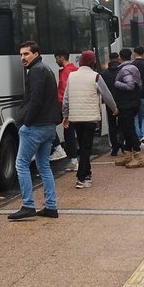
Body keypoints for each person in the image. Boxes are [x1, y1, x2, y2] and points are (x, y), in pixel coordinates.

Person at [8, 41, 63, 221]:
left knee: (21, 164)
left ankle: (28, 205)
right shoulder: (45, 68)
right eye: (21, 55)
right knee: (44, 165)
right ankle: (51, 206)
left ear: (36, 53)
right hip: (48, 127)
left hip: (36, 126)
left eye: (26, 54)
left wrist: (27, 123)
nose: (23, 58)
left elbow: (36, 100)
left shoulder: (36, 71)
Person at [62, 50, 118, 188]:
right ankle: (81, 178)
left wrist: (66, 115)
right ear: (92, 62)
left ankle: (87, 173)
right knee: (86, 148)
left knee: (82, 145)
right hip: (90, 118)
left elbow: (66, 99)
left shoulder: (72, 76)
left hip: (76, 118)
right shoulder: (96, 76)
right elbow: (107, 94)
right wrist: (114, 108)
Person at [111, 48, 144, 169]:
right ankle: (128, 154)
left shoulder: (125, 69)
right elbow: (139, 85)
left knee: (129, 130)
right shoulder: (134, 68)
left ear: (120, 57)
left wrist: (116, 83)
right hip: (134, 103)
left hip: (126, 105)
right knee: (126, 129)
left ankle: (137, 156)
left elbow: (130, 85)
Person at [53, 51, 79, 170]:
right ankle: (74, 161)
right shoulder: (74, 69)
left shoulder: (65, 72)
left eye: (56, 58)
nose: (55, 61)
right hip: (75, 106)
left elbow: (63, 93)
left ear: (61, 57)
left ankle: (58, 148)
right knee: (71, 134)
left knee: (49, 124)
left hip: (66, 107)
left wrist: (63, 110)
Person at [101, 58, 122, 157]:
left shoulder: (104, 74)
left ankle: (114, 147)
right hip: (122, 102)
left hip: (109, 103)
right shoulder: (121, 71)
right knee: (123, 124)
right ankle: (122, 143)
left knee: (112, 125)